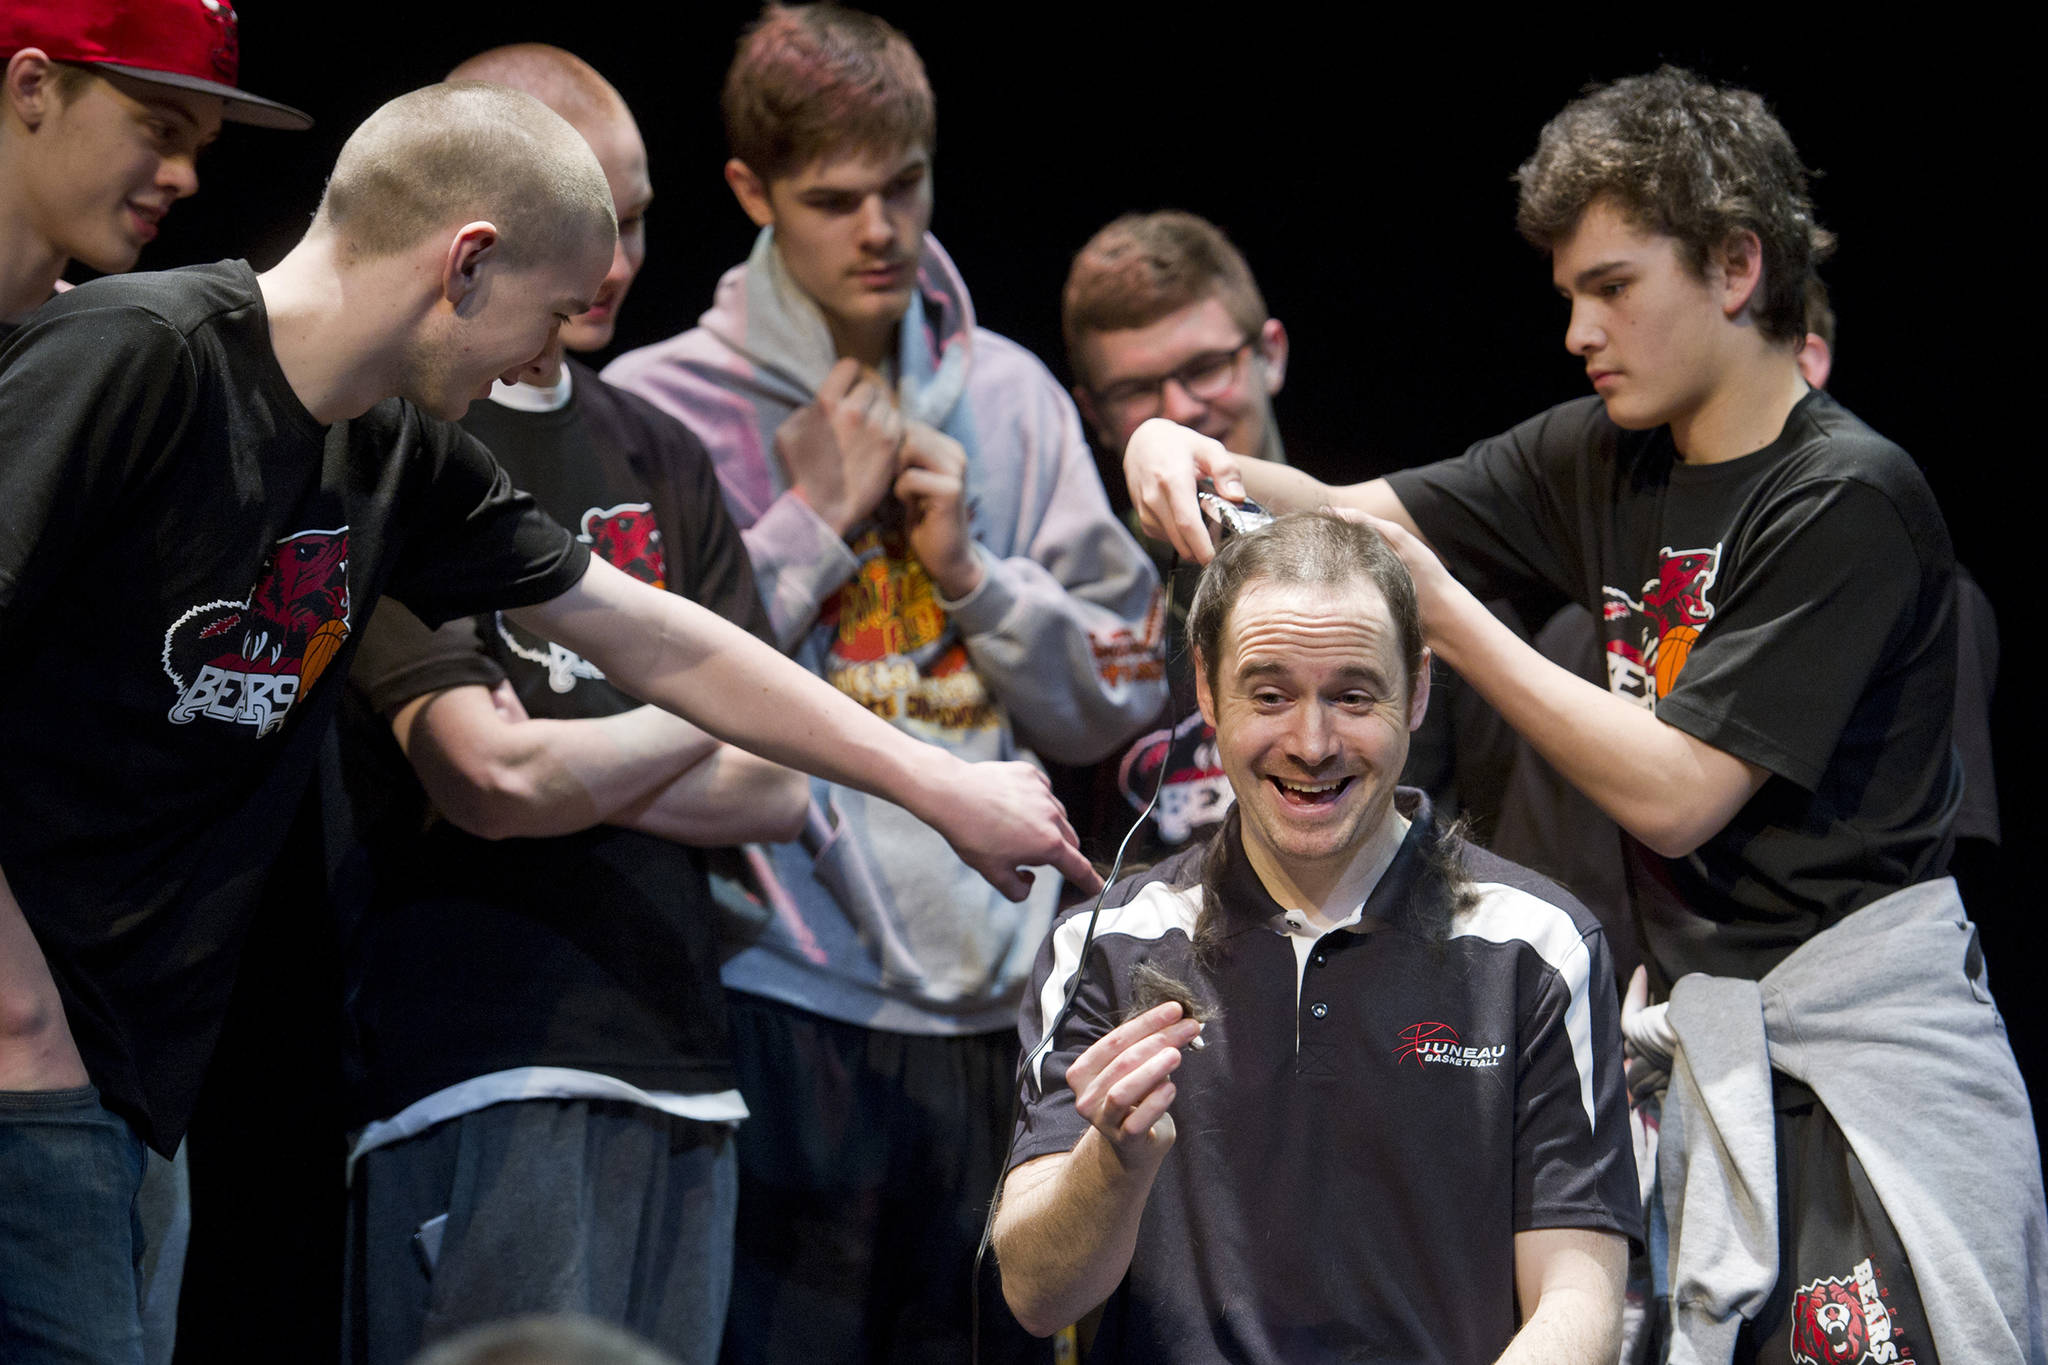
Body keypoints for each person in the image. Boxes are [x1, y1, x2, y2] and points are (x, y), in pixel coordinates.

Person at [0, 79, 1090, 1364]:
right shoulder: (138, 357)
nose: (544, 360)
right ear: (466, 265)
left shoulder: (392, 452)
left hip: (134, 1074)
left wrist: (932, 782)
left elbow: (653, 634)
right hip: (33, 1060)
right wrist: (22, 1022)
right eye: (551, 312)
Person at [1123, 66, 2046, 1362]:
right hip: (1714, 1043)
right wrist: (1180, 455)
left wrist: (1446, 615)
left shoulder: (1848, 497)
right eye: (1568, 296)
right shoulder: (1607, 454)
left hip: (1852, 1062)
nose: (1578, 330)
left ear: (1736, 267)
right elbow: (1338, 509)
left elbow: (1679, 791)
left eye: (1612, 288)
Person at [602, 7, 1163, 1360]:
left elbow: (1118, 700)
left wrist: (975, 575)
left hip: (994, 1017)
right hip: (781, 994)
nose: (880, 230)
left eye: (904, 185)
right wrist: (802, 523)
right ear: (748, 193)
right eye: (834, 198)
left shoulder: (1013, 398)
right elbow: (634, 695)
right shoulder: (659, 404)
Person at [336, 46, 802, 1365]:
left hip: (686, 1068)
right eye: (592, 219)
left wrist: (605, 754)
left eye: (641, 219)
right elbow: (488, 776)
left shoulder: (659, 448)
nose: (615, 262)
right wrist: (714, 716)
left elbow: (778, 785)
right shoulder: (393, 437)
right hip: (482, 1057)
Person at [993, 511, 1638, 1362]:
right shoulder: (1106, 945)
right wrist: (1113, 1160)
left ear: (1419, 691)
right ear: (1209, 692)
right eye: (1269, 694)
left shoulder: (1539, 947)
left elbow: (1578, 1301)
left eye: (1353, 695)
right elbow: (1036, 1297)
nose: (1311, 742)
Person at [1058, 209, 1517, 867]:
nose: (1182, 407)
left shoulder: (1400, 563)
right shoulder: (1085, 596)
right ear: (1094, 414)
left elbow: (1496, 833)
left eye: (1207, 366)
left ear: (1269, 354)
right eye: (1136, 389)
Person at [0, 0, 309, 328]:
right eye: (164, 129)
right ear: (32, 86)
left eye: (200, 147)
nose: (187, 179)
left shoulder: (107, 359)